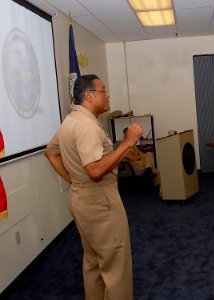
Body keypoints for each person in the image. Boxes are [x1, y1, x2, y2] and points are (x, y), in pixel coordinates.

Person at [45, 74, 142, 300]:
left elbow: (50, 152)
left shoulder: (71, 121)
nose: (107, 95)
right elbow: (96, 171)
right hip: (100, 202)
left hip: (80, 198)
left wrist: (74, 180)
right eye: (103, 90)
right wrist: (128, 143)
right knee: (116, 265)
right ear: (89, 96)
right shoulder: (87, 127)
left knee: (94, 261)